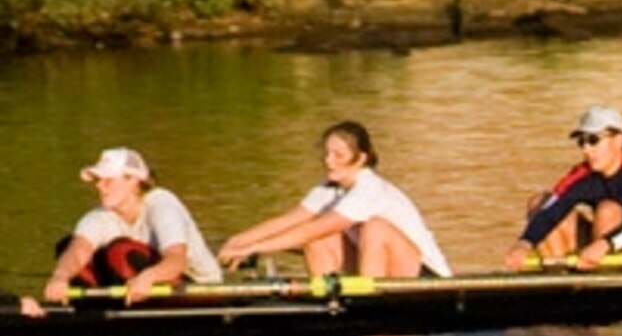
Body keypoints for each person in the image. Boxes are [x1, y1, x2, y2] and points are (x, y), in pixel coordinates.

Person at [218, 122, 452, 282]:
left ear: (361, 158)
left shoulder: (369, 188)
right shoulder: (329, 187)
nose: (329, 162)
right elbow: (290, 221)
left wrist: (254, 248)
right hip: (382, 272)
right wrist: (237, 241)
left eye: (338, 155)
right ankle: (331, 307)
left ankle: (370, 304)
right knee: (319, 241)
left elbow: (309, 230)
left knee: (375, 228)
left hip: (425, 277)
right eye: (327, 154)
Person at [23, 149, 215, 316]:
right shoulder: (100, 216)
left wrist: (149, 277)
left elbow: (176, 260)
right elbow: (78, 250)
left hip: (199, 289)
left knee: (120, 251)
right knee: (67, 246)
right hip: (139, 287)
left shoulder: (162, 204)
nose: (99, 186)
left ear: (133, 180)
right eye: (98, 180)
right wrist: (60, 277)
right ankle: (94, 315)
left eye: (108, 180)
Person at [511, 107, 622, 265]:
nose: (586, 150)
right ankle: (562, 282)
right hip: (609, 247)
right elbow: (552, 208)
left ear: (618, 140)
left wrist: (605, 244)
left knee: (607, 211)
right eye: (582, 142)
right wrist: (524, 243)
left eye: (593, 140)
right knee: (539, 202)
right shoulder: (583, 173)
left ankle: (606, 286)